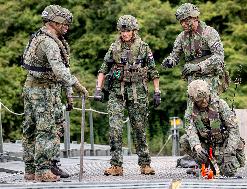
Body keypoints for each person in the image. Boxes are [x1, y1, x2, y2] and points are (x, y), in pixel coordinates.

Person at [21, 5, 88, 182]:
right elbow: (59, 70)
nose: (67, 26)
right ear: (54, 22)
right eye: (64, 23)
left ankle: (30, 170)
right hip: (43, 91)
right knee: (46, 130)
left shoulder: (40, 37)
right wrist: (76, 84)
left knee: (31, 128)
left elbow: (62, 68)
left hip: (33, 87)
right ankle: (43, 170)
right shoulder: (49, 42)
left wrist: (67, 92)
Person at [94, 15, 160, 176]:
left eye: (128, 30)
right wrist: (98, 88)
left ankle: (145, 164)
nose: (125, 34)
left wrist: (157, 91)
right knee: (115, 129)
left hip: (138, 92)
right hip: (117, 92)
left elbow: (152, 70)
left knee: (139, 129)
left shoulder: (143, 47)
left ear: (134, 31)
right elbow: (103, 68)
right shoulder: (114, 47)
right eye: (122, 31)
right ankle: (116, 165)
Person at [180, 79, 245, 177]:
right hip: (206, 144)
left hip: (223, 144)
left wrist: (229, 152)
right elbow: (190, 131)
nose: (204, 101)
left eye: (206, 97)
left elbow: (234, 130)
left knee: (228, 172)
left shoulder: (220, 105)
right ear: (193, 100)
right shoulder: (190, 111)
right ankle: (206, 165)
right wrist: (197, 147)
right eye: (200, 100)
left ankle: (220, 165)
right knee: (184, 140)